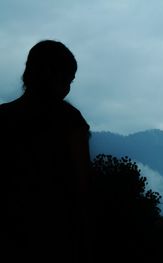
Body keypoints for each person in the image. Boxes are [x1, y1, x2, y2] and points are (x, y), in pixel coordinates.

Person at [0, 40, 92, 262]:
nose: (68, 87)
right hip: (57, 236)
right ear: (54, 77)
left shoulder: (3, 118)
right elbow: (83, 185)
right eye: (67, 79)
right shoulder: (70, 121)